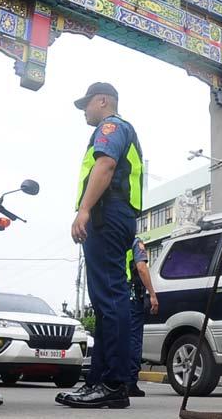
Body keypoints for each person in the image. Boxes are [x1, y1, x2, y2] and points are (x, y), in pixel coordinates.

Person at [58, 82, 143, 409]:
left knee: (110, 297)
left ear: (103, 100)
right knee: (106, 298)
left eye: (87, 104)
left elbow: (105, 165)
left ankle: (113, 383)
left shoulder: (112, 127)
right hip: (113, 215)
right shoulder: (118, 128)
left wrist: (84, 209)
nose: (84, 111)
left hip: (108, 213)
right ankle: (98, 381)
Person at [126, 238, 158, 397]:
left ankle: (112, 381)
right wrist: (152, 294)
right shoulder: (135, 242)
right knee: (134, 340)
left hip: (114, 297)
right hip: (132, 298)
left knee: (116, 338)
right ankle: (130, 383)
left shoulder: (113, 241)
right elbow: (141, 268)